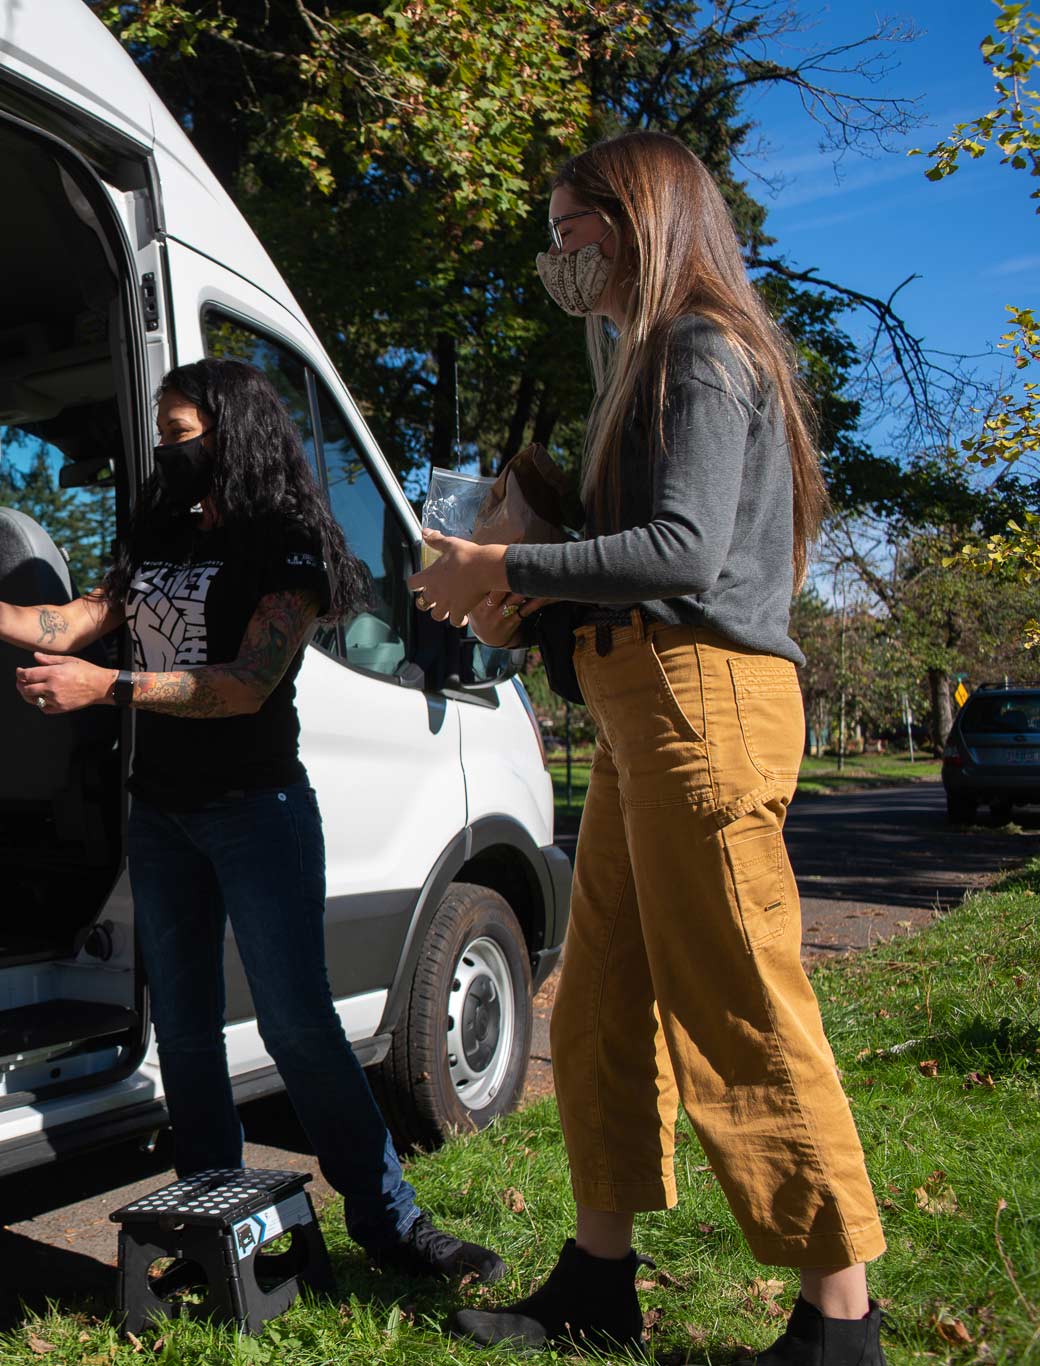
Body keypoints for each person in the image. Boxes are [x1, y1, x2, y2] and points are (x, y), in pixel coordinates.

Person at [410, 131, 887, 1366]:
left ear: (636, 221)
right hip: (639, 707)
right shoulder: (640, 360)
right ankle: (595, 1279)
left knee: (738, 1001)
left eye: (572, 228)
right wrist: (527, 586)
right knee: (605, 1003)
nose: (556, 253)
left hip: (699, 705)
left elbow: (682, 555)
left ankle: (841, 1323)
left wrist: (502, 564)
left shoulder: (696, 347)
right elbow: (643, 562)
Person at [0, 357, 506, 1285]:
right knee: (189, 1033)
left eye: (181, 435)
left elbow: (245, 687)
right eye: (163, 436)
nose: (166, 451)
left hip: (257, 813)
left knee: (298, 1027)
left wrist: (108, 686)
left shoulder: (288, 544)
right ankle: (214, 1220)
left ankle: (392, 1223)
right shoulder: (158, 527)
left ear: (232, 433)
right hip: (163, 818)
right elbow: (82, 619)